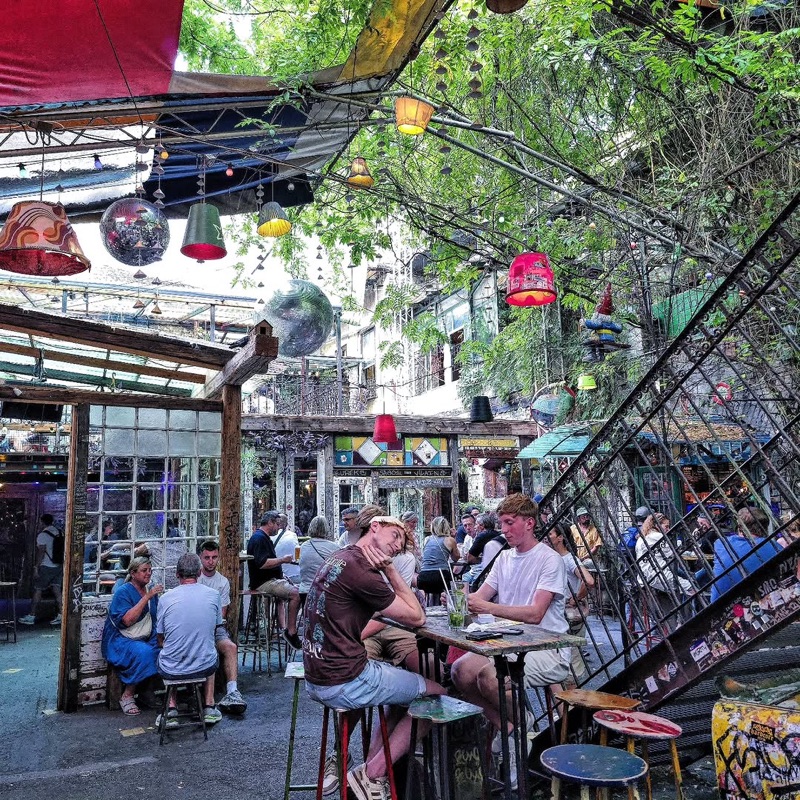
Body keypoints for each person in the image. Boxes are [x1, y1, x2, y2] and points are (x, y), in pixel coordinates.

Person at [302, 514, 445, 800]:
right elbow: (417, 616)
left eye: (401, 545)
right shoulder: (364, 572)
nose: (396, 547)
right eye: (395, 537)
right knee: (438, 697)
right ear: (375, 527)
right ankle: (372, 773)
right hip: (344, 679)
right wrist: (391, 571)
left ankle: (371, 766)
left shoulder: (340, 556)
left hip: (316, 675)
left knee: (403, 692)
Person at [451, 494, 569, 787]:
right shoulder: (504, 557)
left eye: (509, 522)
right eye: (502, 522)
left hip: (546, 646)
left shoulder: (549, 559)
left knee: (490, 676)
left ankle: (515, 740)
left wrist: (487, 608)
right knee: (459, 671)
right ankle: (516, 727)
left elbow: (535, 614)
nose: (503, 529)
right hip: (508, 643)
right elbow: (481, 596)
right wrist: (460, 601)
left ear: (529, 523)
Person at [156, 553, 223, 727]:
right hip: (204, 666)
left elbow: (160, 638)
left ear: (177, 574)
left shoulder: (165, 599)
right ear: (199, 573)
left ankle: (171, 709)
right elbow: (214, 629)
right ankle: (209, 705)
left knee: (167, 652)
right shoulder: (213, 595)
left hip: (172, 668)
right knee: (209, 649)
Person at [101, 557, 162, 716]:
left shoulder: (150, 590)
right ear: (133, 573)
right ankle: (127, 694)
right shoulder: (123, 592)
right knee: (144, 653)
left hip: (145, 635)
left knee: (164, 649)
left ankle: (147, 691)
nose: (148, 574)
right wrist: (147, 598)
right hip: (121, 638)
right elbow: (127, 621)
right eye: (144, 570)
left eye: (150, 570)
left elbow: (155, 618)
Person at [197, 540, 247, 714]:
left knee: (231, 647)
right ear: (200, 558)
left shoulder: (222, 582)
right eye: (207, 558)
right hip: (196, 626)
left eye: (214, 557)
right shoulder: (195, 579)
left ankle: (232, 691)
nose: (211, 561)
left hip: (215, 626)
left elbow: (222, 614)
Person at [247, 510, 302, 649]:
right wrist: (283, 560)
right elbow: (263, 563)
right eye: (277, 524)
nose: (278, 528)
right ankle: (291, 631)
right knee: (296, 594)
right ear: (270, 523)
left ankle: (281, 627)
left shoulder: (262, 537)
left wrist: (281, 575)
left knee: (293, 591)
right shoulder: (259, 538)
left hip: (270, 579)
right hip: (264, 583)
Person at [547, 524, 594, 685]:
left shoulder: (568, 559)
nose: (548, 536)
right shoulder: (554, 558)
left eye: (551, 533)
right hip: (559, 615)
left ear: (560, 538)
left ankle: (572, 706)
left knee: (571, 664)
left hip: (568, 615)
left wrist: (575, 599)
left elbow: (589, 581)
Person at [711, 507, 781, 602]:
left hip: (721, 607)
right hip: (765, 604)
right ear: (765, 527)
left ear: (739, 526)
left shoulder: (721, 544)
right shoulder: (775, 547)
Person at [635, 513, 693, 626]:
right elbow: (672, 552)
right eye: (666, 526)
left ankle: (677, 620)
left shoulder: (643, 537)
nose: (668, 529)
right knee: (691, 589)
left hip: (645, 577)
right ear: (656, 525)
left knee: (685, 578)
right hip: (658, 575)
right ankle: (685, 621)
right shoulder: (657, 537)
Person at [19, 514, 63, 626]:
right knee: (57, 591)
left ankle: (32, 615)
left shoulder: (43, 535)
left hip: (46, 566)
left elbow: (41, 552)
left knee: (38, 589)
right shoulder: (60, 532)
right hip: (59, 566)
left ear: (42, 522)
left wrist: (36, 567)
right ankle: (61, 614)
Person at [298, 516, 340, 603]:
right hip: (324, 591)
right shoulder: (334, 547)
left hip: (305, 590)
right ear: (326, 528)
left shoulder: (304, 546)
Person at [417, 516, 459, 597]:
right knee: (452, 582)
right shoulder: (450, 540)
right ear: (447, 527)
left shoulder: (427, 539)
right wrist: (454, 538)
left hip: (423, 577)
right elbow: (456, 558)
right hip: (440, 577)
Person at [272, 513, 301, 584]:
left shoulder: (270, 535)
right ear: (286, 524)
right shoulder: (292, 535)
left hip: (275, 575)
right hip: (293, 575)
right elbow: (298, 556)